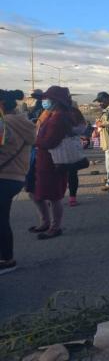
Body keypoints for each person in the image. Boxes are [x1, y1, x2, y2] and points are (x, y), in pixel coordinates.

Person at [0, 89, 35, 274]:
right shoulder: (23, 122)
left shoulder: (5, 123)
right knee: (2, 219)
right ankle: (7, 257)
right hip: (15, 177)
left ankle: (7, 260)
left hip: (3, 176)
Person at [32, 86, 73, 239]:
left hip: (52, 161)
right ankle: (48, 223)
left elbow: (50, 141)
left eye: (46, 99)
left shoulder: (58, 117)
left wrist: (34, 142)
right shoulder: (52, 115)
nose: (44, 101)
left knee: (54, 196)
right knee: (43, 193)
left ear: (55, 101)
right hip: (46, 160)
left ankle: (55, 227)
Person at [67, 106, 89, 206]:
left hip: (60, 147)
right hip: (72, 146)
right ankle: (72, 198)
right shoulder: (74, 111)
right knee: (72, 173)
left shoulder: (52, 112)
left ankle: (57, 198)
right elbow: (82, 127)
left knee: (65, 173)